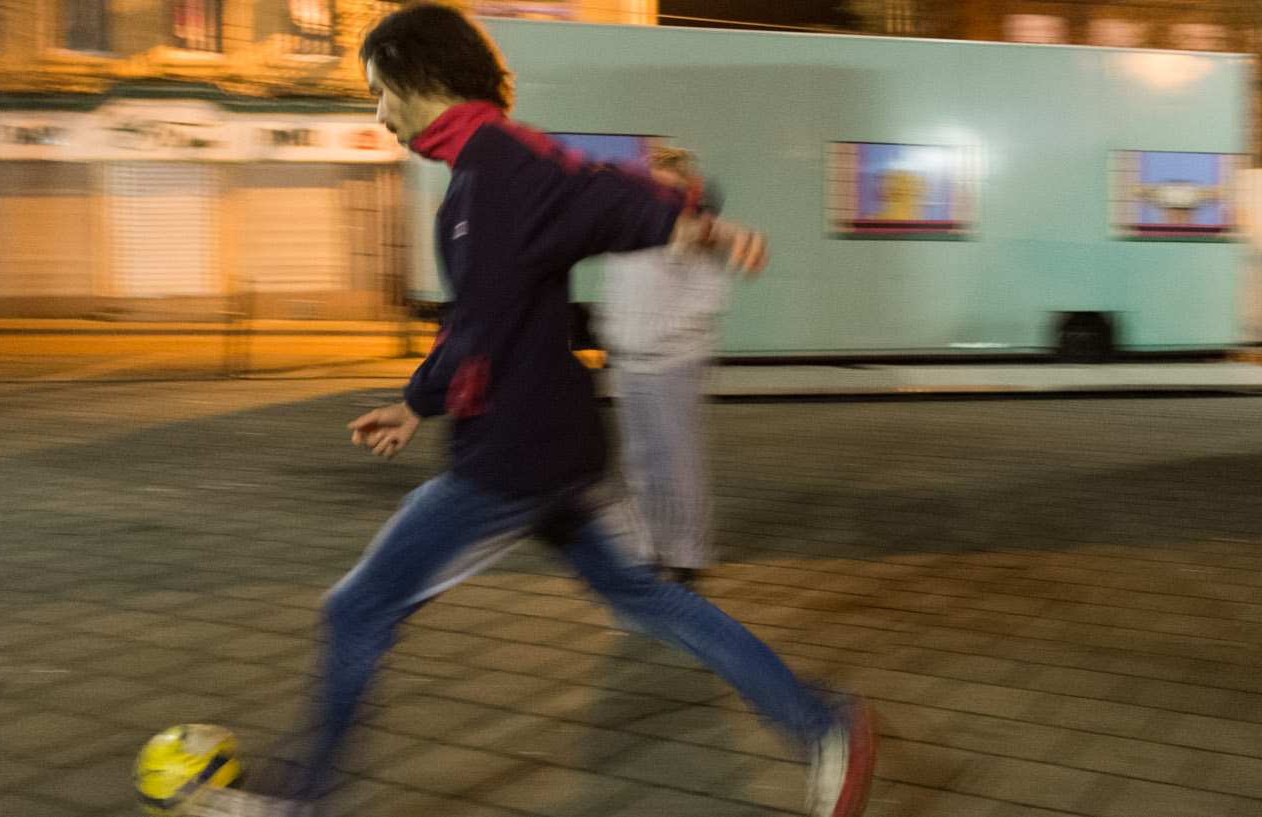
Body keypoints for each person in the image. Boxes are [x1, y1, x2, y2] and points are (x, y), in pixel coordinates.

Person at [231, 5, 877, 817]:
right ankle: (824, 725)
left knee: (357, 607)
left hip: (511, 455)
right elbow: (479, 319)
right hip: (544, 446)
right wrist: (414, 402)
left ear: (417, 77)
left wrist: (697, 226)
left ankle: (298, 799)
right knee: (646, 598)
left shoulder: (502, 162)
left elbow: (599, 189)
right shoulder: (472, 180)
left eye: (379, 93)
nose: (379, 115)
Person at [596, 146, 740, 588]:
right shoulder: (630, 226)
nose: (654, 189)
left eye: (664, 180)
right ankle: (650, 544)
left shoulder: (695, 226)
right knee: (641, 460)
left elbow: (711, 241)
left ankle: (687, 556)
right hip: (630, 358)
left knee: (678, 460)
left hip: (674, 358)